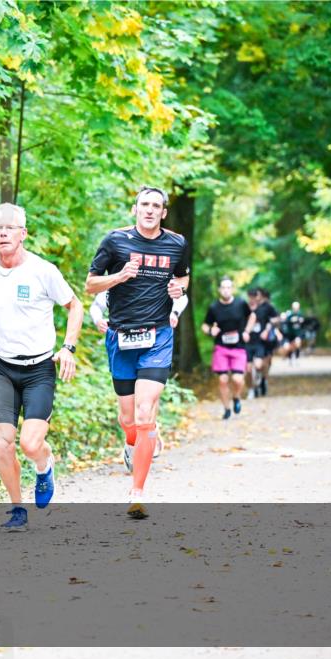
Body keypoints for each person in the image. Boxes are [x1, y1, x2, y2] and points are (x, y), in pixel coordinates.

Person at [0, 203, 83, 531]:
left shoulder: (43, 271)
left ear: (23, 234)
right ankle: (17, 509)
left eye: (10, 227)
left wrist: (68, 347)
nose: (3, 232)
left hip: (39, 368)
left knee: (29, 444)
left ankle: (44, 466)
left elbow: (74, 306)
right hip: (3, 368)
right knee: (2, 441)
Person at [85, 186, 190, 519]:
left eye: (156, 205)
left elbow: (183, 280)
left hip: (157, 336)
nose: (149, 210)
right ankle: (134, 441)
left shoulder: (177, 243)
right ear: (135, 209)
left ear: (163, 213)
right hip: (121, 337)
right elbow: (90, 285)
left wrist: (178, 288)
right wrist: (118, 277)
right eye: (144, 204)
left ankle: (137, 493)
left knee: (145, 415)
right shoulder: (115, 241)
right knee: (128, 419)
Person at [89, 288, 190, 452]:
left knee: (146, 403)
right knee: (127, 418)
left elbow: (181, 296)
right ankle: (131, 441)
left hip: (154, 345)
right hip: (122, 349)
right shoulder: (114, 283)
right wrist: (98, 319)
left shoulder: (155, 277)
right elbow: (95, 306)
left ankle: (150, 432)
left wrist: (174, 313)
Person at [201, 277, 251, 419]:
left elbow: (252, 316)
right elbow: (205, 325)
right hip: (221, 347)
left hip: (238, 347)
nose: (226, 290)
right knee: (222, 380)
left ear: (232, 289)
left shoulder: (241, 303)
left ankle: (236, 397)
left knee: (237, 379)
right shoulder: (214, 307)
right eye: (223, 287)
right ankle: (226, 409)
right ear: (219, 290)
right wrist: (211, 331)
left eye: (228, 287)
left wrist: (247, 331)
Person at [245, 287, 280, 397]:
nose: (253, 299)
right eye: (250, 297)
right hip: (247, 342)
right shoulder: (244, 308)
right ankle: (251, 389)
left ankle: (261, 379)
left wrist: (268, 328)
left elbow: (276, 318)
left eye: (255, 296)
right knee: (248, 368)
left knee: (260, 365)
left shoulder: (266, 308)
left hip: (261, 342)